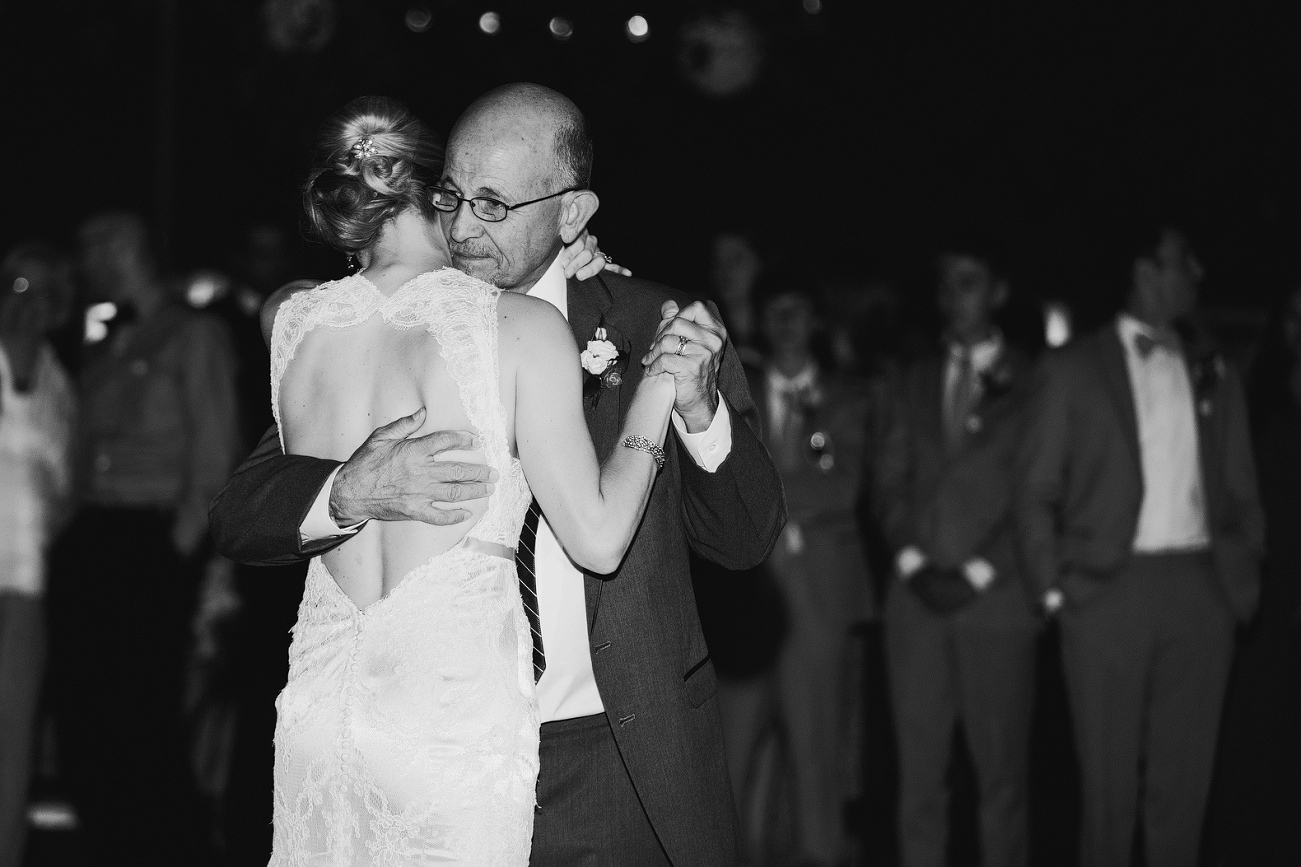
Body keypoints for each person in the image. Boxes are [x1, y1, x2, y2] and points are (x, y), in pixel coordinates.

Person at [209, 85, 786, 867]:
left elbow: (746, 536)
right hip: (427, 744)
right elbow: (245, 506)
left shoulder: (654, 318)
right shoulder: (389, 320)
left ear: (573, 214)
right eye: (453, 194)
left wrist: (697, 404)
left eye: (495, 204)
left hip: (610, 756)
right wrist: (348, 489)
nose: (466, 226)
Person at [1014, 224, 1263, 867]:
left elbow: (1242, 485)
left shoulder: (1214, 366)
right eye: (1185, 261)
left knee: (1184, 790)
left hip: (1202, 589)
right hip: (1105, 591)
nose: (1198, 273)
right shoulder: (1072, 368)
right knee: (1108, 792)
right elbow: (1034, 487)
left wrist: (1243, 561)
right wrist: (1049, 591)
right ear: (1146, 271)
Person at [46, 211, 243, 865]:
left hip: (148, 540)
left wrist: (181, 553)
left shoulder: (195, 334)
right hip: (92, 538)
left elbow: (215, 454)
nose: (84, 264)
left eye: (93, 248)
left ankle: (167, 846)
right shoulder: (104, 342)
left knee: (144, 712)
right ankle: (108, 840)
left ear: (126, 249)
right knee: (83, 710)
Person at [874, 245, 1039, 867]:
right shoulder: (910, 377)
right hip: (915, 605)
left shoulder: (1036, 380)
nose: (953, 296)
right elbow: (886, 482)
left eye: (968, 282)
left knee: (1001, 781)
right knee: (919, 781)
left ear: (999, 291)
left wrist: (977, 570)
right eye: (945, 284)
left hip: (997, 602)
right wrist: (914, 563)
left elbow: (1039, 489)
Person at [716, 275, 874, 866]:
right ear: (761, 320)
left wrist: (758, 494)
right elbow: (714, 480)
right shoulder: (733, 388)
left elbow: (846, 487)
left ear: (816, 322)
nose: (787, 323)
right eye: (775, 310)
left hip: (819, 603)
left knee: (818, 758)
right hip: (745, 604)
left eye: (798, 310)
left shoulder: (849, 397)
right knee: (733, 761)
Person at [0, 241, 76, 867]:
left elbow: (69, 481)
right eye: (18, 287)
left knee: (13, 742)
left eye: (45, 292)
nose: (31, 305)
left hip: (25, 583)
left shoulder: (59, 378)